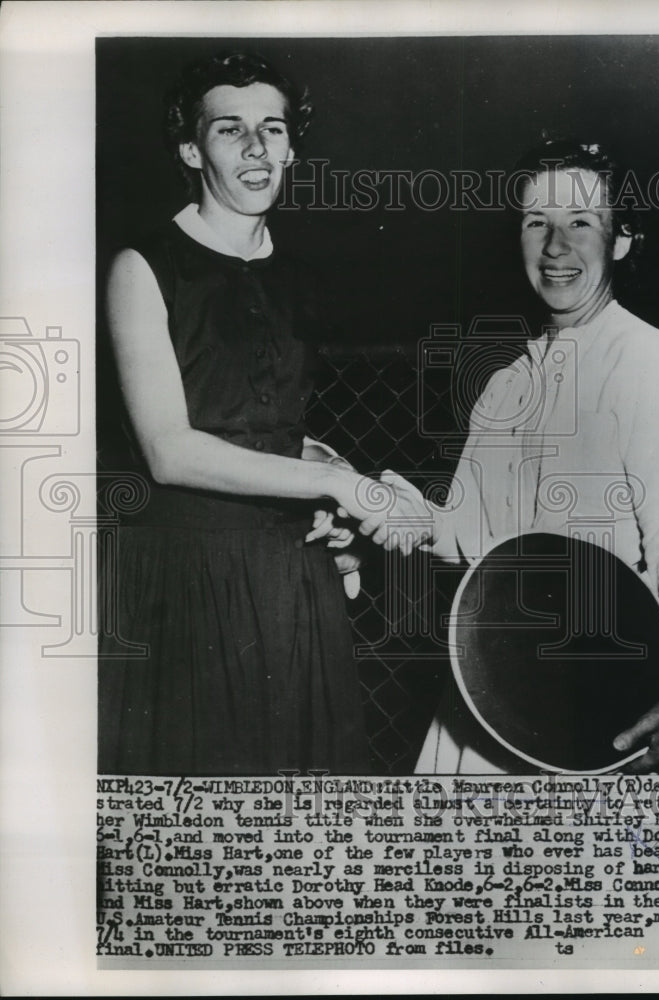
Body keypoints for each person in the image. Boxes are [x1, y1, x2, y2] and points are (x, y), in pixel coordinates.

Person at [97, 52, 420, 776]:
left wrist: (336, 475)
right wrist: (335, 486)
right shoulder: (142, 266)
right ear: (191, 149)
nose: (255, 148)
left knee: (304, 830)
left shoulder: (297, 279)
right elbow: (171, 449)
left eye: (271, 129)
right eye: (229, 130)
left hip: (292, 580)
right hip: (187, 581)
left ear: (291, 148)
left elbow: (267, 425)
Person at [362, 139, 659, 775]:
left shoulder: (650, 364)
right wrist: (387, 506)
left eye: (580, 223)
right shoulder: (508, 380)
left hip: (600, 700)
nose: (555, 246)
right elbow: (466, 538)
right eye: (536, 223)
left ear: (621, 240)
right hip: (495, 687)